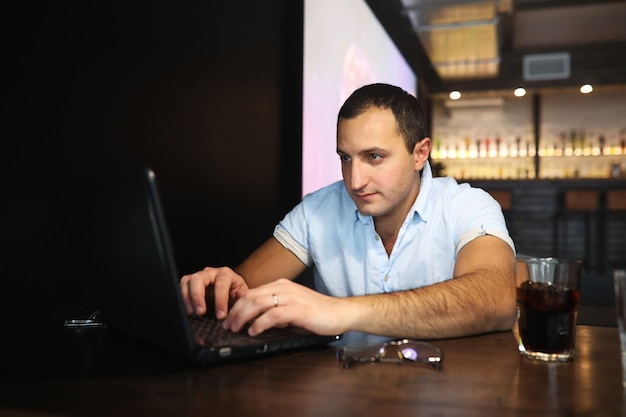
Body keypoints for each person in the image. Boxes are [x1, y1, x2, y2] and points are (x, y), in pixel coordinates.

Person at [180, 83, 516, 340]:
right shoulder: (318, 209)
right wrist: (219, 288)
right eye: (345, 158)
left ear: (420, 153)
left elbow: (496, 299)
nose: (354, 181)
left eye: (374, 157)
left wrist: (339, 311)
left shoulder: (467, 205)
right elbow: (246, 288)